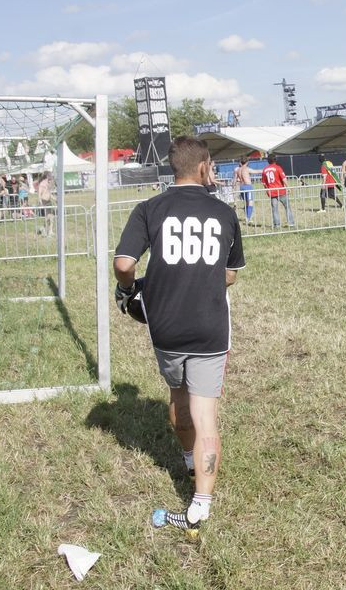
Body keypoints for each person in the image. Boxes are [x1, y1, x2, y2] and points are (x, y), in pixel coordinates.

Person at [113, 136, 245, 539]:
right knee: (207, 416)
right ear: (204, 167)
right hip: (209, 326)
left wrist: (128, 290)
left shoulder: (149, 208)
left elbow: (123, 264)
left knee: (177, 397)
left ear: (174, 168)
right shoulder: (223, 212)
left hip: (165, 325)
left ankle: (189, 460)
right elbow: (231, 273)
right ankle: (200, 506)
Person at [261, 153, 294, 228]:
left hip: (272, 192)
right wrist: (288, 187)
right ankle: (291, 223)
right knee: (287, 207)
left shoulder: (265, 170)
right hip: (281, 191)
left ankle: (277, 225)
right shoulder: (278, 168)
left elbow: (263, 183)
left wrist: (267, 190)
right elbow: (284, 179)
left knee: (274, 209)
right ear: (275, 160)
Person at [233, 157, 260, 223]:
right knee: (250, 203)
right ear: (247, 162)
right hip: (248, 186)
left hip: (241, 187)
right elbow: (256, 171)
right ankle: (248, 218)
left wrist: (233, 186)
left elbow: (235, 179)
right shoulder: (246, 169)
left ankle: (248, 216)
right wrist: (265, 170)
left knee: (247, 202)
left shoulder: (238, 170)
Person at [36, 172, 55, 236]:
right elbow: (39, 194)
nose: (51, 177)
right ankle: (43, 230)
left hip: (49, 201)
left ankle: (49, 231)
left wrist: (55, 199)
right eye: (50, 176)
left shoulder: (48, 183)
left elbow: (49, 194)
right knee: (48, 217)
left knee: (51, 217)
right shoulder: (42, 184)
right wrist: (40, 202)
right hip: (44, 201)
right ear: (47, 176)